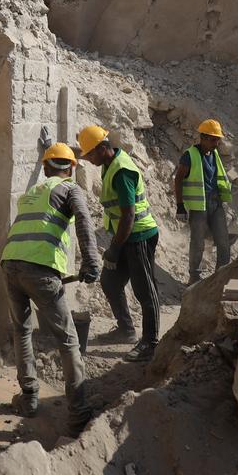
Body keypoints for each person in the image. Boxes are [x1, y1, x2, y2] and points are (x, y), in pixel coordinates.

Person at [1, 143, 100, 435]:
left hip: (9, 264)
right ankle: (79, 413)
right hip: (41, 270)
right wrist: (92, 260)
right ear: (70, 169)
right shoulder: (71, 189)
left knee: (22, 330)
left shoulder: (31, 193)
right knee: (67, 339)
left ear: (45, 169)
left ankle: (29, 398)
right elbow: (83, 219)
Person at [76, 125, 161, 363]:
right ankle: (126, 329)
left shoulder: (122, 172)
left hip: (138, 236)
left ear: (103, 148)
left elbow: (129, 216)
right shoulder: (109, 163)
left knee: (145, 290)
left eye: (91, 154)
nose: (89, 159)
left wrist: (114, 250)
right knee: (110, 282)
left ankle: (151, 342)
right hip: (125, 236)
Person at [173, 119, 233, 284]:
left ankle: (220, 279)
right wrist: (180, 206)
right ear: (203, 138)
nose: (217, 143)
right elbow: (178, 180)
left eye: (218, 139)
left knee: (223, 242)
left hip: (216, 203)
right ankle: (194, 277)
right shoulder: (189, 155)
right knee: (198, 242)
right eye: (213, 139)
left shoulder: (214, 154)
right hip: (199, 205)